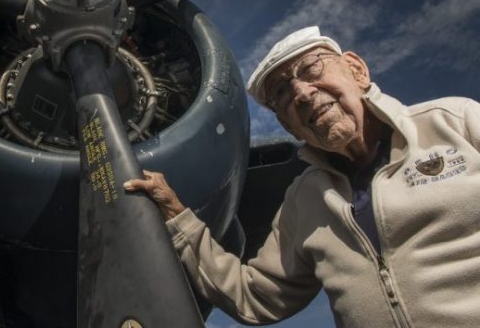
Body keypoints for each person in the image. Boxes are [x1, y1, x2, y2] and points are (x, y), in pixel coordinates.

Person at [124, 26, 480, 328]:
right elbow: (255, 296)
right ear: (286, 124)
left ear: (356, 70)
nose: (302, 93)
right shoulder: (304, 198)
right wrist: (176, 213)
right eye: (281, 93)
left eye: (311, 69)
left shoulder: (456, 121)